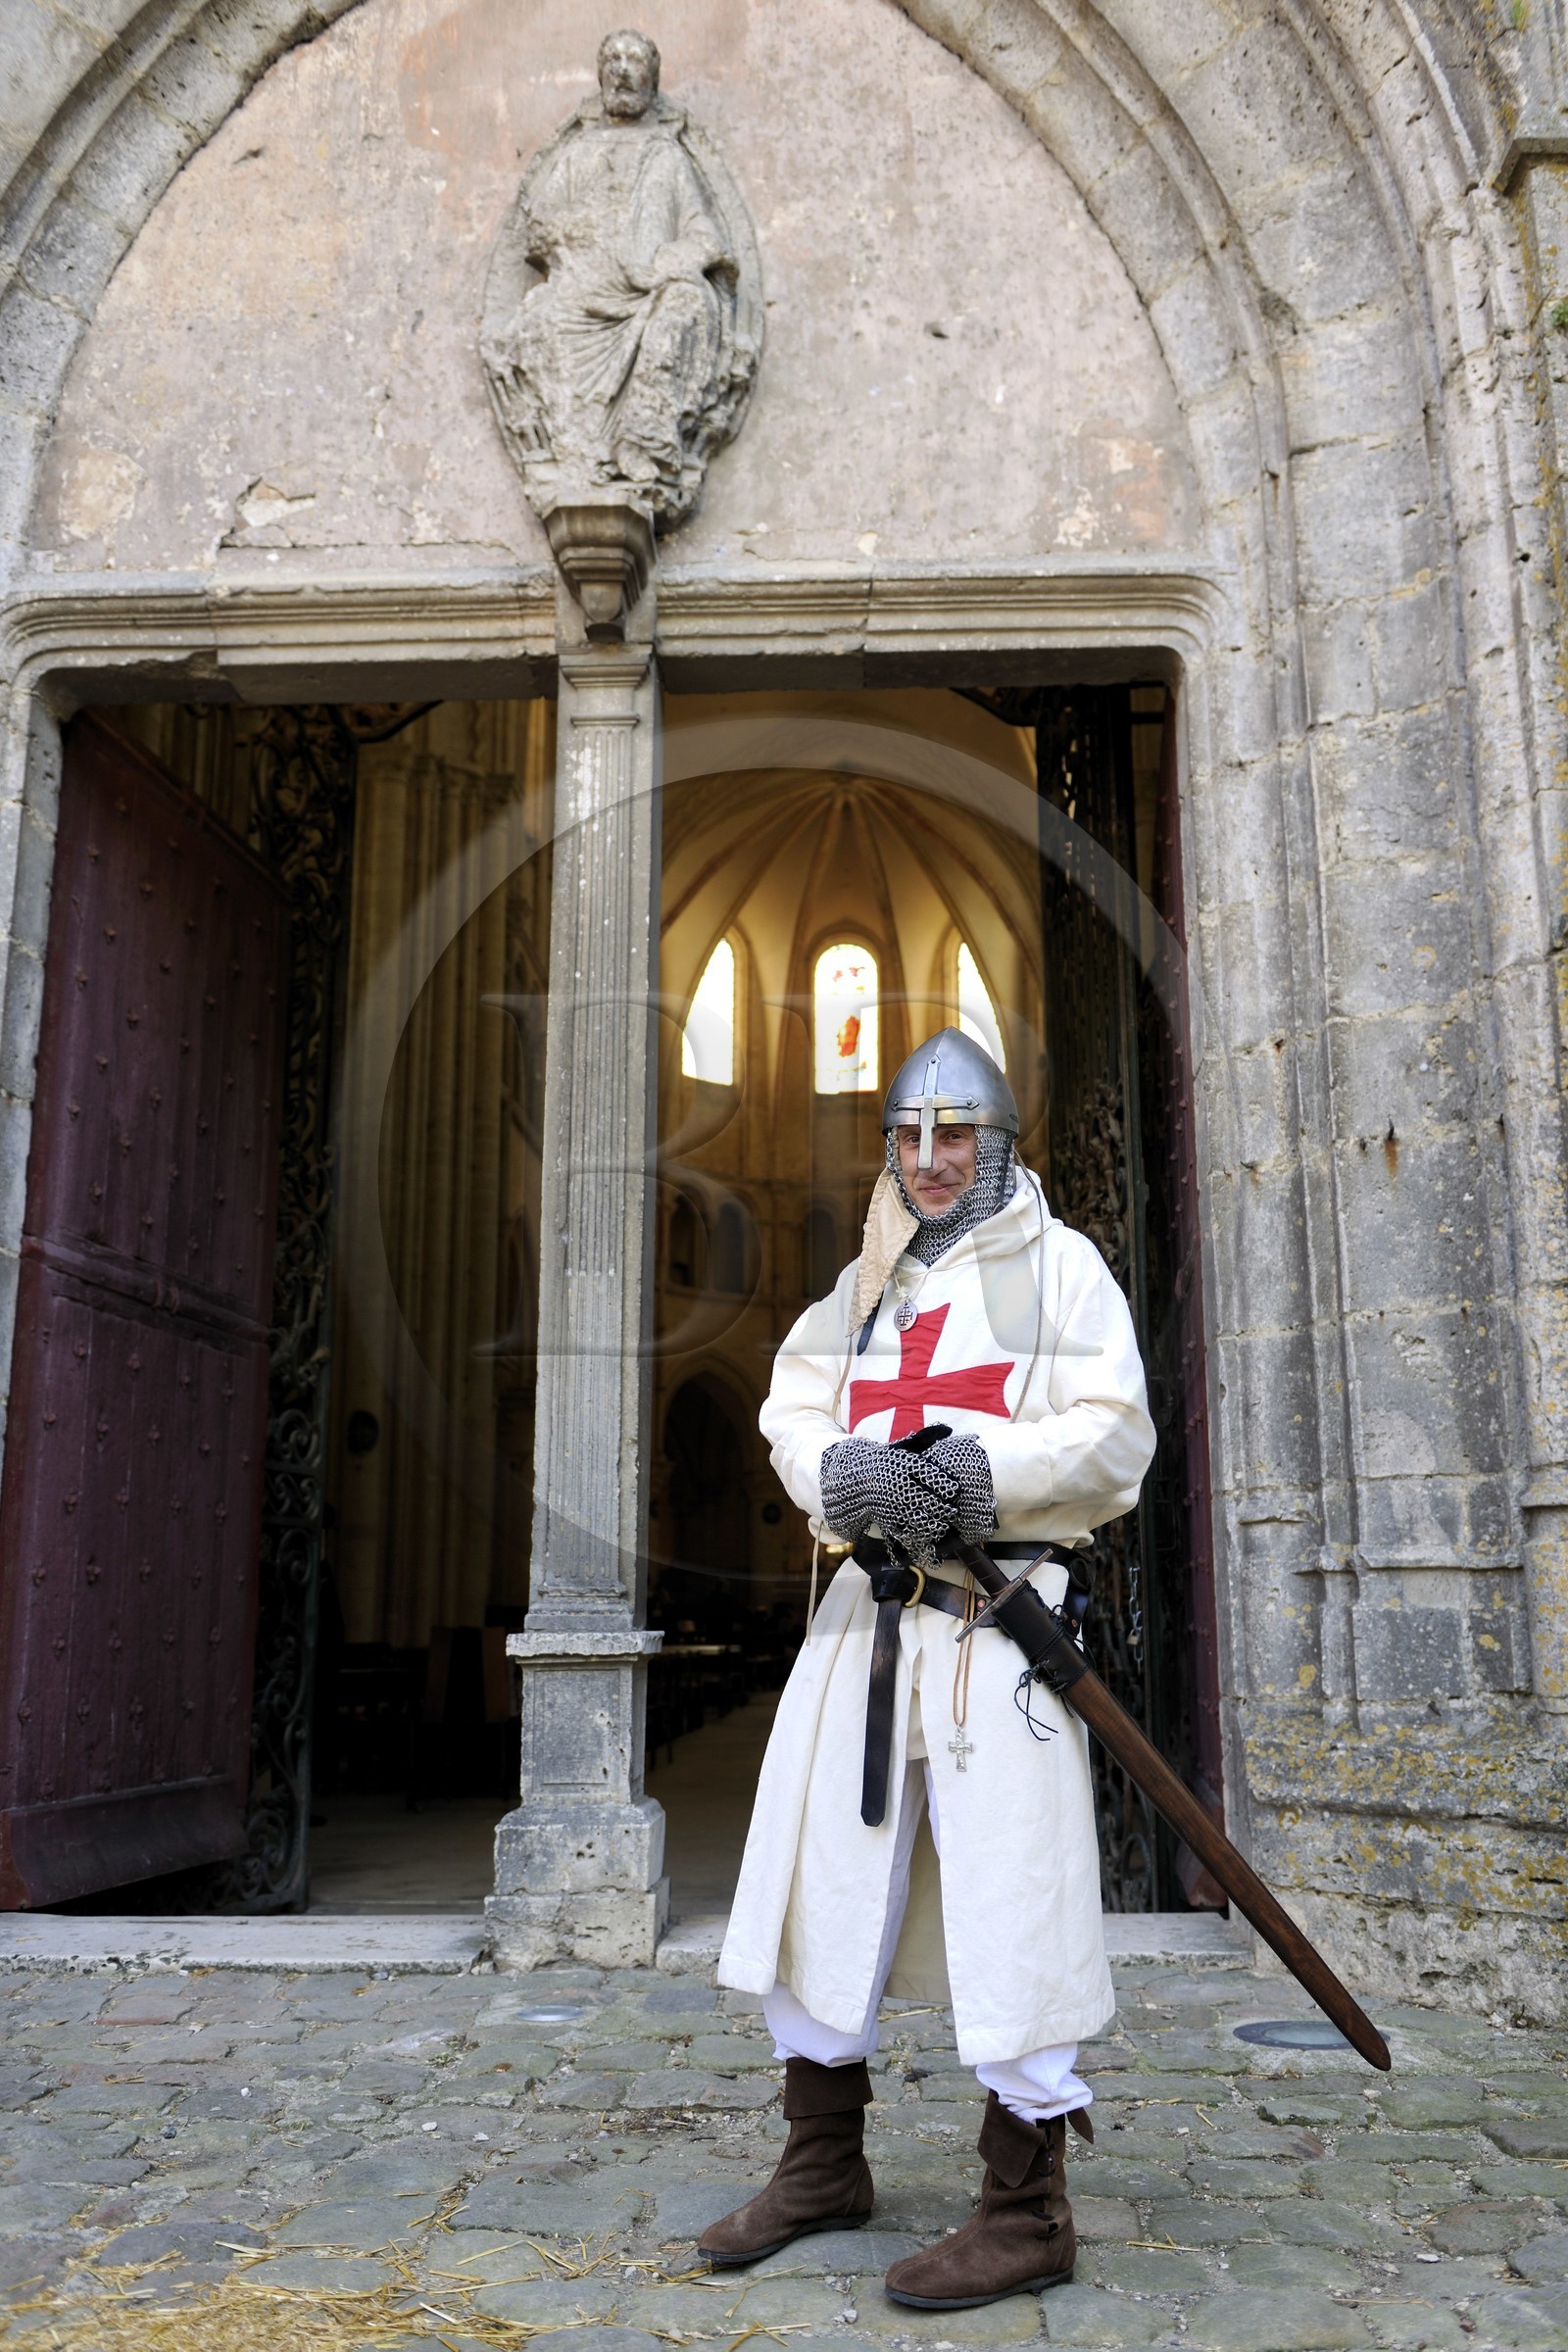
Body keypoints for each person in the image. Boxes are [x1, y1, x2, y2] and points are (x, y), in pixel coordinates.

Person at [704, 1029, 1156, 2308]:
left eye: (955, 1134)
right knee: (829, 1877)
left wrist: (970, 1472)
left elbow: (1114, 1436)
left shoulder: (1062, 1274)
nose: (930, 1158)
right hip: (866, 1621)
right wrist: (837, 1474)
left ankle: (1026, 2208)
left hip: (998, 1624)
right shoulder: (863, 1288)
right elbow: (792, 1403)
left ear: (997, 1141)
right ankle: (821, 2164)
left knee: (1014, 1887)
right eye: (909, 1137)